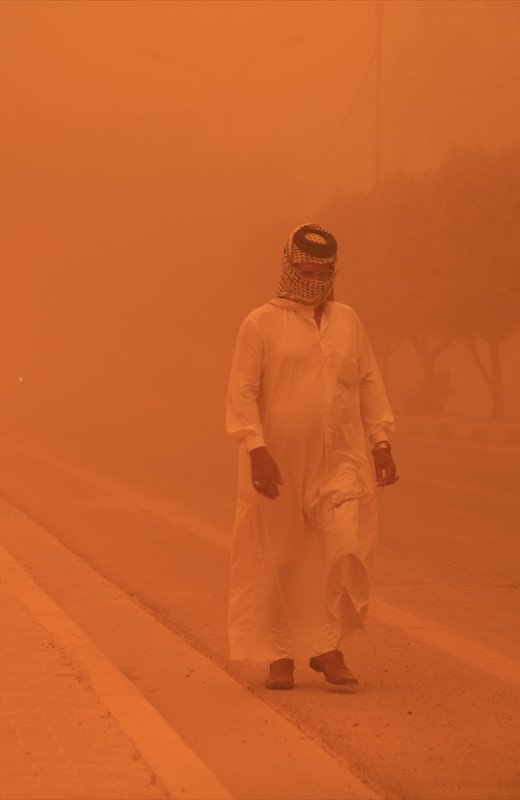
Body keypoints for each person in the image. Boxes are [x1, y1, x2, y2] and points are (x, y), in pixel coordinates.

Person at [225, 222, 398, 690]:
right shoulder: (260, 322)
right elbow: (242, 392)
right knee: (280, 558)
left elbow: (367, 382)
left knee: (342, 549)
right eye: (306, 266)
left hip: (341, 459)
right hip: (277, 462)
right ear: (288, 265)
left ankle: (326, 646)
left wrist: (380, 440)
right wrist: (256, 449)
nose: (315, 275)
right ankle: (279, 654)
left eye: (324, 268)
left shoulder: (347, 320)